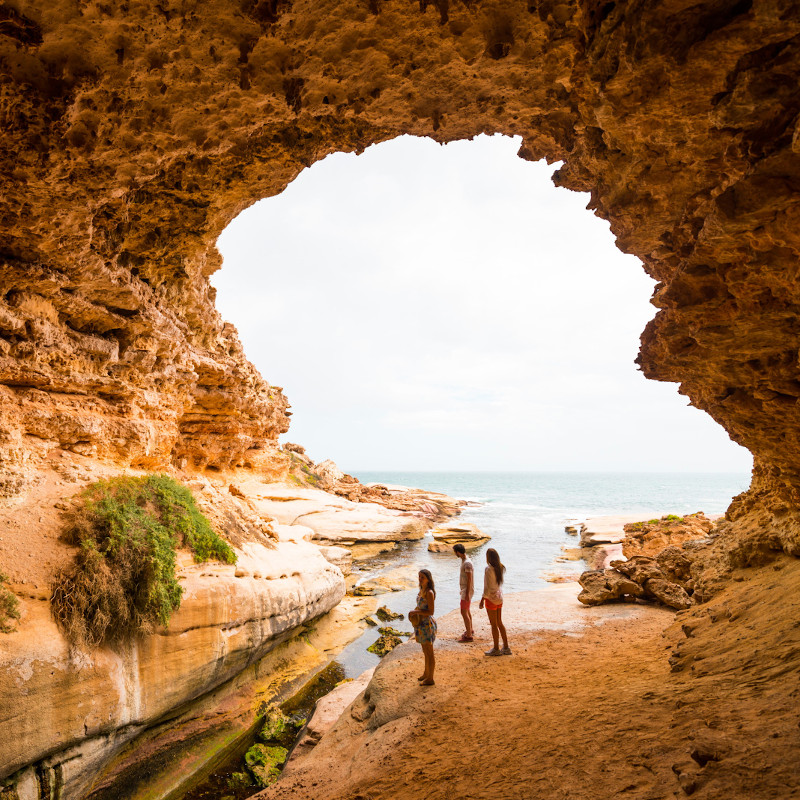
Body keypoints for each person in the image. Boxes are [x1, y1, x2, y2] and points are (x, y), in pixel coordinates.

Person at [479, 548, 511, 656]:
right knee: (499, 622)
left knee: (493, 624)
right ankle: (506, 647)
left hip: (491, 598)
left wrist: (482, 599)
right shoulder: (500, 567)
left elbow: (487, 587)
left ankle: (496, 648)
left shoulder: (488, 569)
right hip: (499, 597)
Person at [409, 569, 437, 685]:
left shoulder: (429, 593)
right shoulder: (421, 590)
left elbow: (431, 611)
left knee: (430, 652)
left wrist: (416, 613)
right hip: (421, 625)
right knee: (425, 651)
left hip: (427, 625)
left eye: (423, 577)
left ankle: (430, 678)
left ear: (428, 579)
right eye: (419, 577)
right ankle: (426, 673)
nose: (420, 579)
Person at [453, 543, 474, 642]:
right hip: (465, 590)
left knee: (463, 612)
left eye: (455, 552)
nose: (455, 554)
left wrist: (467, 593)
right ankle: (470, 630)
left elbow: (469, 579)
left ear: (458, 552)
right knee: (467, 611)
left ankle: (469, 636)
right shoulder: (464, 561)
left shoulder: (467, 563)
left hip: (467, 590)